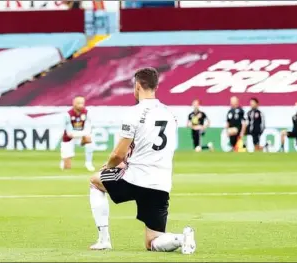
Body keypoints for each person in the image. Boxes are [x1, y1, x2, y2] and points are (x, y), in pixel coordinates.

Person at [88, 68, 196, 254]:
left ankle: (104, 239)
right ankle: (181, 238)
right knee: (153, 242)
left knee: (95, 182)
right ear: (157, 86)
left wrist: (110, 165)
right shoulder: (170, 114)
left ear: (137, 86)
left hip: (135, 179)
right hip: (160, 184)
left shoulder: (134, 113)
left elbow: (118, 154)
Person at [61, 96, 95, 172]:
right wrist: (81, 133)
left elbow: (88, 127)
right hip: (68, 138)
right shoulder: (68, 114)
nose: (81, 105)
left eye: (82, 103)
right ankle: (64, 160)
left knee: (89, 140)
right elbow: (69, 133)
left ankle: (88, 163)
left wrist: (84, 134)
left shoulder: (87, 113)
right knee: (67, 167)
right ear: (74, 104)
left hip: (80, 136)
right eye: (79, 103)